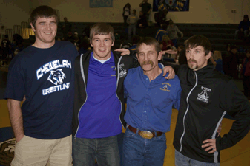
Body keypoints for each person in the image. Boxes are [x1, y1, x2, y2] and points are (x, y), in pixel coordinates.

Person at [72, 23, 175, 166]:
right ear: (91, 42)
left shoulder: (123, 61)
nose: (102, 45)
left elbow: (147, 61)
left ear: (113, 42)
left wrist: (165, 66)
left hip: (111, 136)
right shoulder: (78, 62)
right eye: (97, 40)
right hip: (82, 135)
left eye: (106, 40)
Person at [4, 5, 78, 165]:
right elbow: (13, 103)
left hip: (65, 139)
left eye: (52, 22)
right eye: (42, 23)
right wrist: (20, 138)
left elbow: (92, 66)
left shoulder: (69, 50)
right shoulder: (22, 60)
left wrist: (126, 58)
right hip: (33, 138)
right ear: (32, 26)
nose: (48, 28)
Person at [174, 35, 250, 165]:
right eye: (188, 51)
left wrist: (225, 141)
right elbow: (160, 67)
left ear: (208, 55)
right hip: (180, 152)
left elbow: (246, 113)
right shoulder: (183, 72)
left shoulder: (222, 83)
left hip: (203, 158)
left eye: (197, 51)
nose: (191, 56)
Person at [122, 37, 181, 166]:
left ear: (159, 55)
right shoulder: (129, 76)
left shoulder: (172, 81)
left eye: (150, 53)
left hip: (157, 143)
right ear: (137, 57)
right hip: (131, 140)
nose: (145, 58)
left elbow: (185, 110)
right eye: (142, 54)